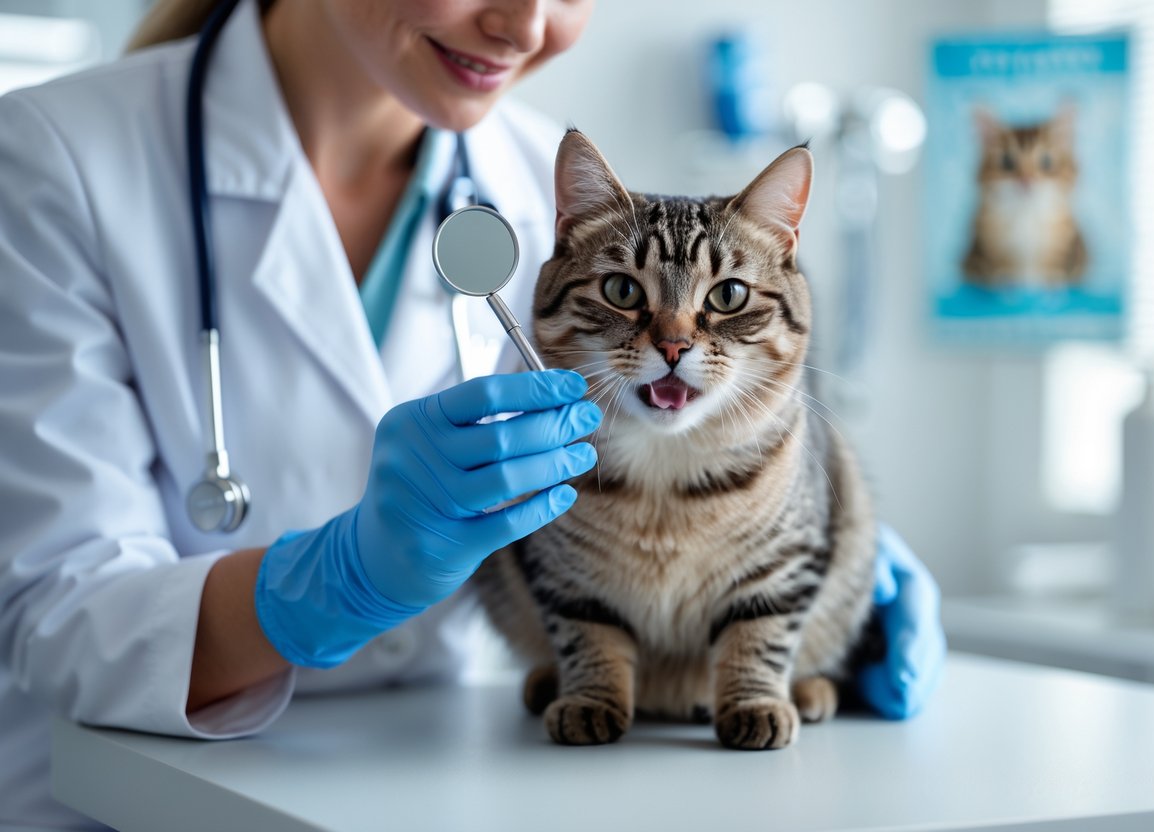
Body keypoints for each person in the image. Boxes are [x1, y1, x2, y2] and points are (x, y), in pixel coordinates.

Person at [0, 0, 945, 827]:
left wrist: (803, 560)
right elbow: (51, 617)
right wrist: (330, 584)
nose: (528, 26)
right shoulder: (56, 157)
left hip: (440, 778)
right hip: (129, 797)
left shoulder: (545, 178)